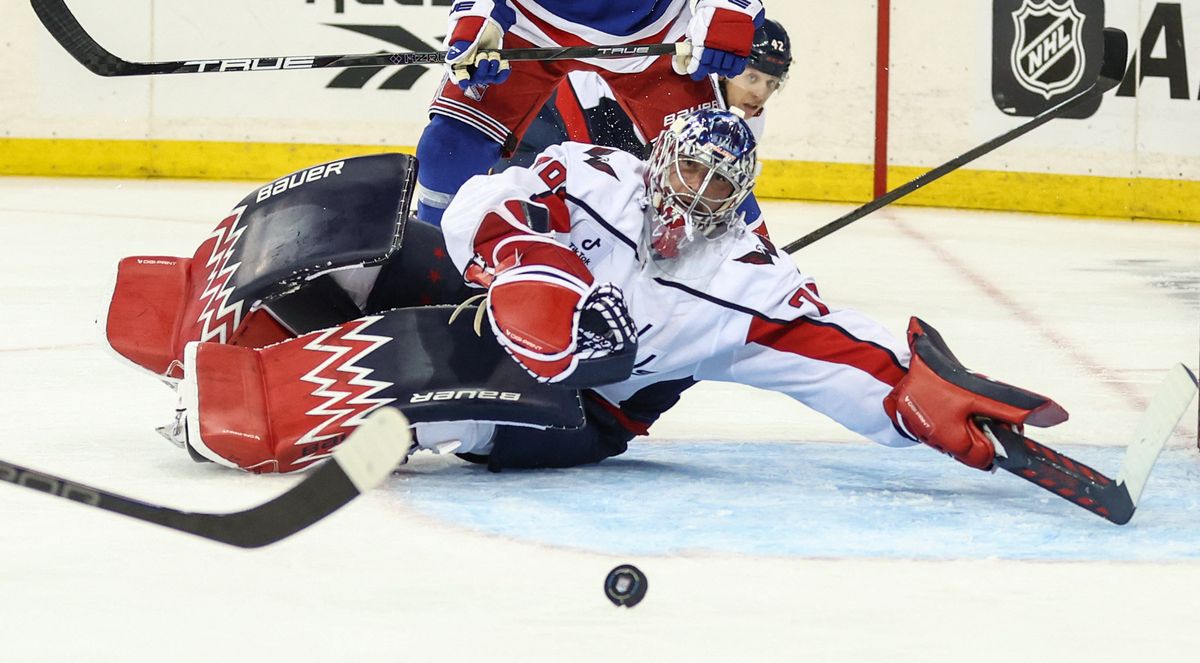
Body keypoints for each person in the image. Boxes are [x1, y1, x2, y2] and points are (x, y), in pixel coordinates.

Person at [123, 109, 1067, 474]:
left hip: (577, 414)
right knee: (396, 219)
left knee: (462, 375)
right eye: (686, 171)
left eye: (716, 188)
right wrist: (536, 267)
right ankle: (218, 298)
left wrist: (912, 397)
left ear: (738, 203)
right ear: (660, 159)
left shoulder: (742, 283)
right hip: (508, 310)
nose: (691, 197)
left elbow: (837, 352)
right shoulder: (592, 172)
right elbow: (485, 204)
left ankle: (268, 405)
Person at [413, 0, 766, 226]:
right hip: (528, 20)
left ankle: (760, 281)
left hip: (656, 23)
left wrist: (726, 9)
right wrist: (478, 13)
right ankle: (435, 264)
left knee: (708, 160)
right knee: (449, 148)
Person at [494, 17, 793, 171]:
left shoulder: (745, 124)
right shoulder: (680, 84)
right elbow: (574, 96)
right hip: (555, 113)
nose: (759, 93)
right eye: (752, 77)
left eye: (770, 83)